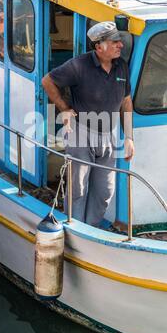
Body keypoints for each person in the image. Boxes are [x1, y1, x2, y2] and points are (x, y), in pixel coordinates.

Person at [42, 21, 134, 227]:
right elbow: (47, 81)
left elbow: (126, 100)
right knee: (78, 189)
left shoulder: (122, 66)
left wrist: (128, 137)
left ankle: (89, 229)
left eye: (120, 41)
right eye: (115, 42)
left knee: (104, 191)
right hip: (81, 133)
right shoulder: (78, 65)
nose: (120, 45)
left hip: (109, 135)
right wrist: (64, 108)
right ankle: (73, 227)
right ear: (99, 46)